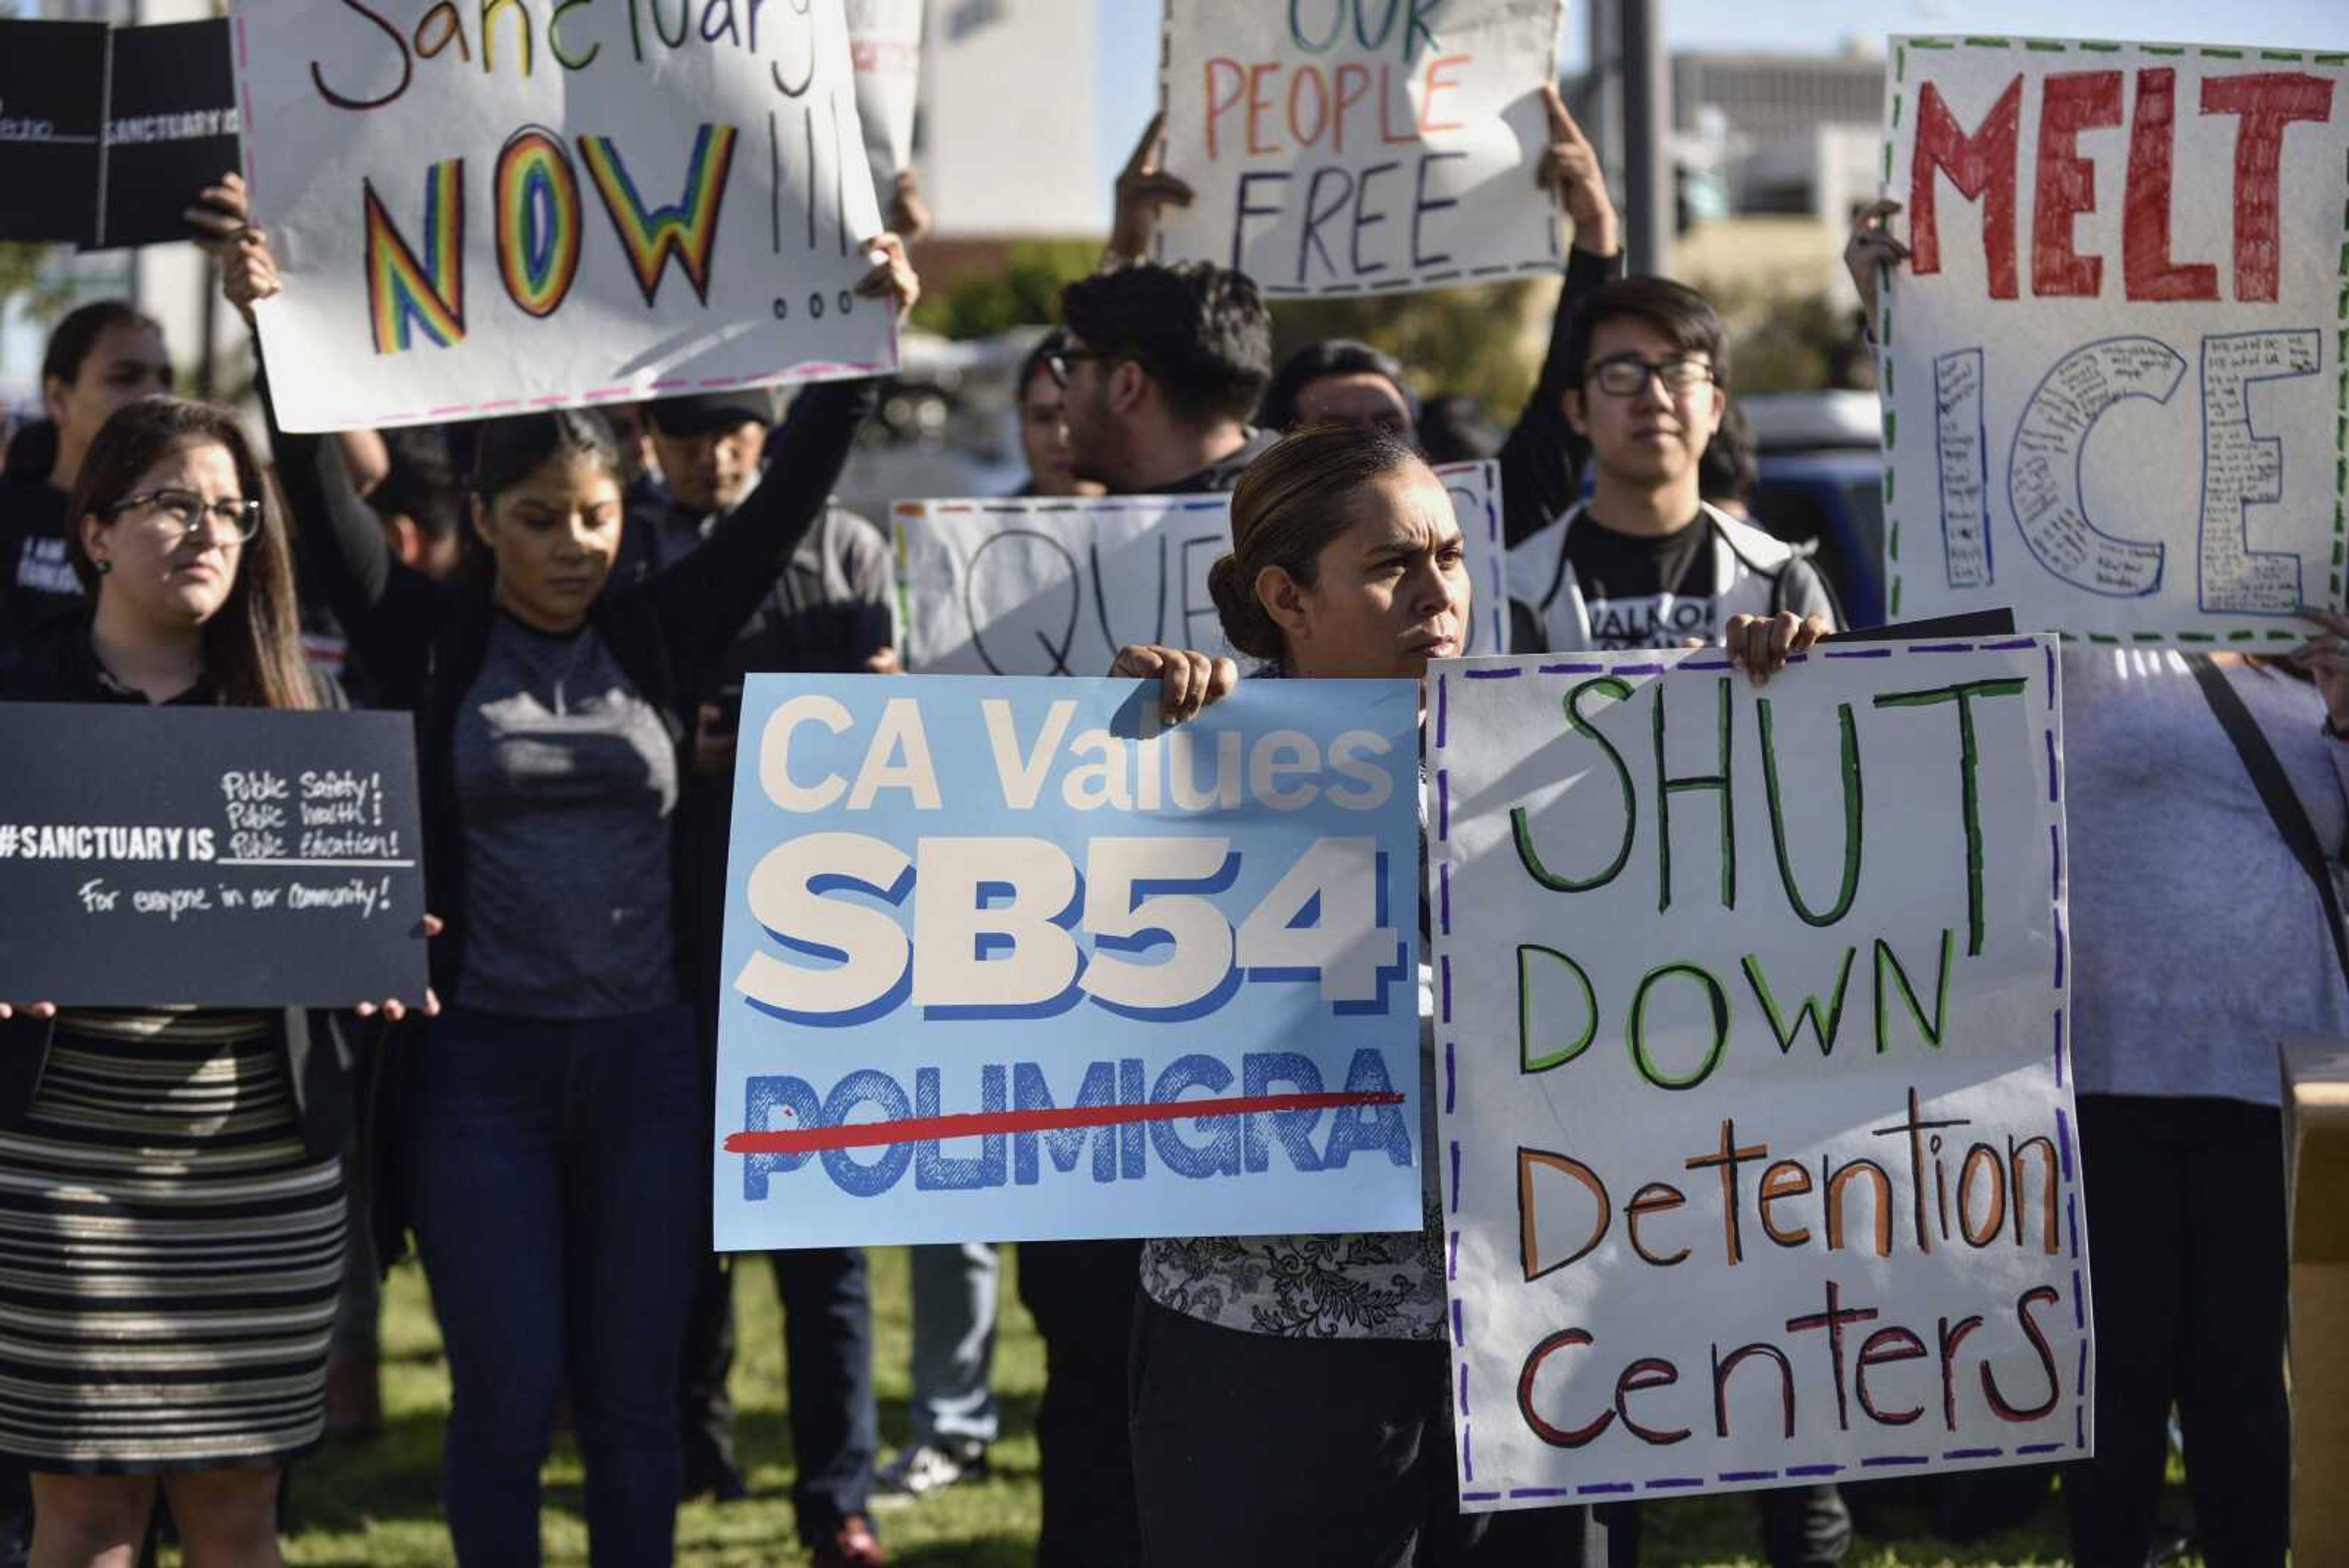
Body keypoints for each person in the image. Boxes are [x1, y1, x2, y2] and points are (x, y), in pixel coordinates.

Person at [201, 176, 917, 1568]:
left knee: (636, 1409)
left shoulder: (658, 630)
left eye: (593, 515)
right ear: (484, 515)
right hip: (480, 1075)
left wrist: (866, 343)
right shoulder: (425, 639)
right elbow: (310, 482)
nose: (575, 545)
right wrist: (267, 320)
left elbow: (786, 500)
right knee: (508, 1400)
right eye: (538, 517)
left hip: (651, 1064)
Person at [1114, 421, 1819, 1566]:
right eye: (1393, 564)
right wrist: (1121, 754)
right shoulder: (1187, 751)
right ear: (1288, 597)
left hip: (1527, 1328)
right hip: (1265, 1356)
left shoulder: (1573, 746)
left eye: (1449, 556)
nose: (1437, 591)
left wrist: (1772, 699)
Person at [1850, 198, 2329, 1568]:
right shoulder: (2068, 633)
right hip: (2101, 1072)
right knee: (2110, 1402)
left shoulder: (2315, 626)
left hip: (2280, 1076)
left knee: (2249, 1392)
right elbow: (1966, 461)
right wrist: (1900, 311)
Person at [0, 396, 426, 1568]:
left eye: (233, 511)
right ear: (94, 530)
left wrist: (380, 950)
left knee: (238, 1519)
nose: (208, 532)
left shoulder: (305, 713)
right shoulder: (15, 706)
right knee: (84, 1519)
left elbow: (351, 930)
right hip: (57, 1174)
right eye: (173, 503)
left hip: (256, 1176)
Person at [636, 387, 895, 1567]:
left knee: (824, 1244)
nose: (712, 454)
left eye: (734, 431)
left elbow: (887, 717)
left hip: (820, 940)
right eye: (688, 435)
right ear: (654, 442)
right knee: (682, 1223)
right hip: (668, 926)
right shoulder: (626, 543)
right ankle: (694, 1445)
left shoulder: (846, 542)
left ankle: (838, 1491)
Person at [874, 329, 1112, 1509]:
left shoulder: (1189, 545)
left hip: (1136, 927)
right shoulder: (964, 554)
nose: (1059, 432)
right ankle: (952, 1416)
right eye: (1038, 412)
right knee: (957, 1186)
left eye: (1078, 409)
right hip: (985, 908)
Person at [1108, 87, 1625, 546]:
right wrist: (1127, 252)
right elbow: (1112, 413)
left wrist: (1596, 229)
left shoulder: (1478, 523)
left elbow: (1564, 407)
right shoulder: (1217, 542)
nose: (1370, 446)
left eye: (1389, 425)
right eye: (1334, 428)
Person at [1505, 275, 1839, 661]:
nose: (1655, 398)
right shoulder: (1517, 590)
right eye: (1622, 373)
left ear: (1715, 407)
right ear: (1577, 410)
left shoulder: (1781, 578)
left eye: (1680, 372)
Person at [0, 303, 173, 658]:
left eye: (165, 379)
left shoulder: (186, 526)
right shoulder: (8, 515)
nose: (155, 395)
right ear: (58, 398)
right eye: (125, 377)